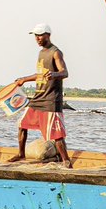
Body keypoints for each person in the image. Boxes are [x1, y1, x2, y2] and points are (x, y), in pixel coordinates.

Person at [10, 23, 70, 164]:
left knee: (57, 134)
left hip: (50, 99)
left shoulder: (56, 52)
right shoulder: (41, 53)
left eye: (40, 35)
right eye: (36, 36)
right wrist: (24, 79)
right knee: (21, 124)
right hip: (39, 98)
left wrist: (54, 74)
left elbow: (65, 72)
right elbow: (39, 74)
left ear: (48, 35)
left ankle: (66, 161)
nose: (37, 38)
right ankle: (21, 154)